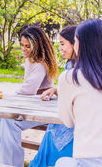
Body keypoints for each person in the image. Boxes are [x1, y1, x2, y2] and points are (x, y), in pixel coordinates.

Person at [0, 25, 58, 167]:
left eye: (28, 46)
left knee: (9, 121)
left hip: (42, 106)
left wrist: (6, 95)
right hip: (31, 104)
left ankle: (12, 163)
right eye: (22, 45)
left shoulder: (40, 64)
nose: (24, 49)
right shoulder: (30, 60)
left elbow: (29, 90)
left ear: (37, 46)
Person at [55, 18, 102, 167]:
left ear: (81, 44)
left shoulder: (70, 78)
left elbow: (67, 121)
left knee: (61, 163)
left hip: (89, 157)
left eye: (75, 41)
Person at [29, 25, 77, 167]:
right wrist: (55, 90)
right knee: (54, 127)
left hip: (74, 120)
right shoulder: (70, 65)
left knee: (57, 128)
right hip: (63, 116)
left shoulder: (83, 68)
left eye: (63, 44)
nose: (60, 48)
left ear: (75, 44)